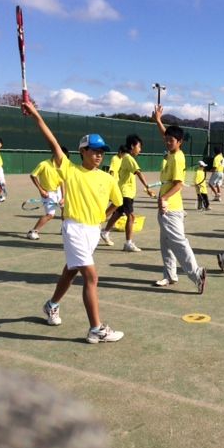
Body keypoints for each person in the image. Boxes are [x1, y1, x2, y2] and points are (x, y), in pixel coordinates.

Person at [22, 101, 124, 344]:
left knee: (70, 271)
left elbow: (118, 202)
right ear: (83, 151)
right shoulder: (70, 170)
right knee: (91, 277)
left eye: (102, 151)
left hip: (93, 231)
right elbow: (53, 143)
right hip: (74, 229)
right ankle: (96, 329)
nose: (99, 155)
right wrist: (36, 115)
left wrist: (103, 215)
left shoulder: (108, 178)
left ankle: (51, 305)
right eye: (94, 150)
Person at [152, 104, 207, 293]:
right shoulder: (172, 151)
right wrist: (158, 120)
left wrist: (164, 198)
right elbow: (166, 134)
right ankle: (170, 275)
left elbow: (179, 184)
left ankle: (197, 274)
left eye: (171, 140)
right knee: (166, 243)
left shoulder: (177, 158)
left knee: (178, 242)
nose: (167, 142)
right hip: (168, 207)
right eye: (166, 140)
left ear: (180, 142)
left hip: (170, 208)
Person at [100, 134, 156, 252]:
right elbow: (138, 172)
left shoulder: (125, 158)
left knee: (117, 214)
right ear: (132, 146)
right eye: (139, 147)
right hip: (125, 193)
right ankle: (128, 243)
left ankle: (104, 232)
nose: (140, 150)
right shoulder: (128, 158)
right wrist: (148, 187)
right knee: (131, 216)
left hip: (125, 192)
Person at [27, 146, 68, 240]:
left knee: (65, 210)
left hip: (58, 191)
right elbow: (33, 175)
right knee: (50, 215)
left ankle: (64, 229)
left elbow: (62, 182)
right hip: (48, 193)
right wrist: (41, 190)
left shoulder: (61, 167)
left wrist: (63, 197)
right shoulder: (44, 164)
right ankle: (33, 231)